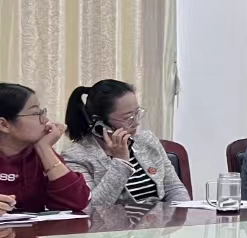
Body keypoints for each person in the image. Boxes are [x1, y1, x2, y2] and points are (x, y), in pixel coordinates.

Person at [61, 80, 190, 209]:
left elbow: (174, 188)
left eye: (137, 113)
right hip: (114, 222)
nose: (136, 123)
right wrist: (120, 162)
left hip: (159, 220)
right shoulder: (76, 157)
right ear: (99, 122)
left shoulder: (147, 141)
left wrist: (182, 214)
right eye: (128, 118)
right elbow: (93, 209)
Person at [0, 83, 90, 214]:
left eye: (42, 113)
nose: (45, 120)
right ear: (4, 124)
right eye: (36, 113)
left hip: (33, 228)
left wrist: (45, 148)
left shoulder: (39, 153)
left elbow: (78, 202)